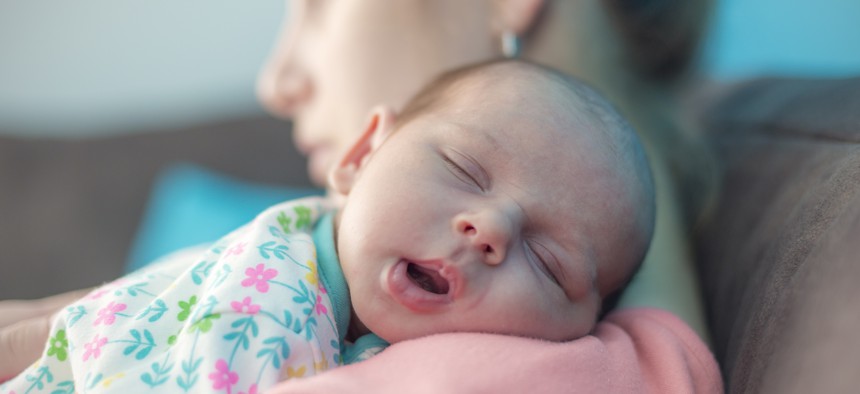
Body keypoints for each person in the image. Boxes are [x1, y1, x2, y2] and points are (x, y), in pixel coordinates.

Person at [2, 1, 721, 391]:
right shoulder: (306, 246)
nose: (276, 81)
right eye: (464, 168)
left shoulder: (578, 356)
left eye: (315, 5)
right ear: (363, 153)